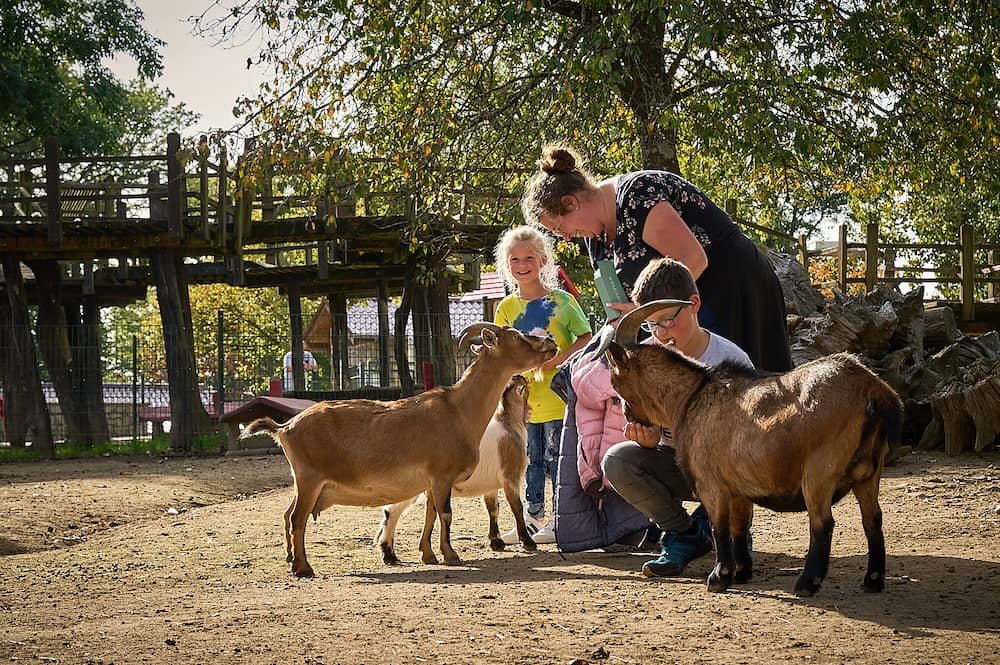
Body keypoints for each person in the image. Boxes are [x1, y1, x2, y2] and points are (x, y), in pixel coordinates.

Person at [521, 143, 792, 373]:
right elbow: (622, 304)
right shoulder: (595, 238)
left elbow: (694, 260)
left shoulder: (636, 196)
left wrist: (644, 312)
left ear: (571, 203)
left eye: (560, 228)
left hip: (733, 287)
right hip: (680, 312)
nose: (566, 238)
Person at [600, 257, 754, 577]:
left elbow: (748, 441)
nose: (662, 332)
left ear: (694, 304)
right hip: (679, 467)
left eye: (668, 320)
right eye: (652, 325)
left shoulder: (731, 359)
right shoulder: (643, 359)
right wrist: (649, 438)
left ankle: (735, 531)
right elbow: (645, 424)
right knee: (617, 460)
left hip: (727, 472)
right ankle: (683, 534)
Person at [493, 226, 593, 544]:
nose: (522, 265)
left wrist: (557, 360)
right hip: (523, 403)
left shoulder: (562, 301)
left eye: (529, 258)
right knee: (527, 460)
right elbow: (500, 354)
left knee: (555, 460)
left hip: (557, 398)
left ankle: (558, 520)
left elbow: (587, 337)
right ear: (506, 264)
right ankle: (531, 519)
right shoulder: (506, 308)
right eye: (515, 259)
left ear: (543, 260)